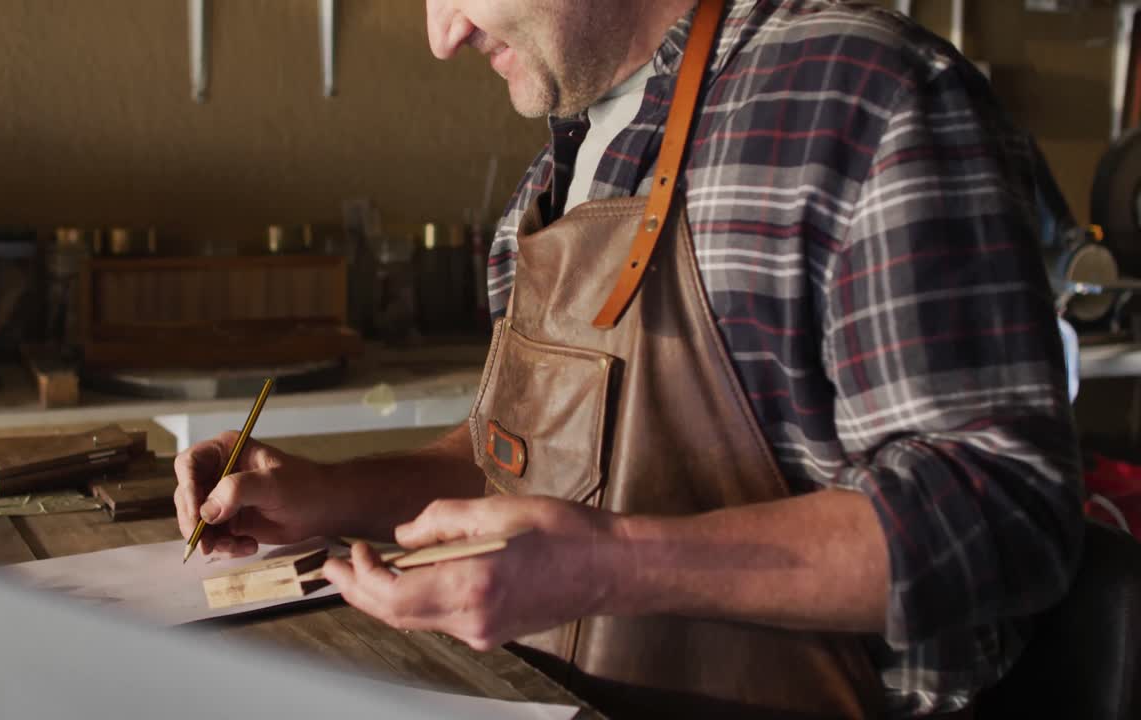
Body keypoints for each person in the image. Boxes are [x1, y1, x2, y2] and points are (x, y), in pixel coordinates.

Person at [175, 1, 1085, 716]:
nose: (441, 32)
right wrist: (324, 495)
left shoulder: (865, 98)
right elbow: (515, 458)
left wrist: (613, 565)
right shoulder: (558, 170)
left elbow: (1003, 512)